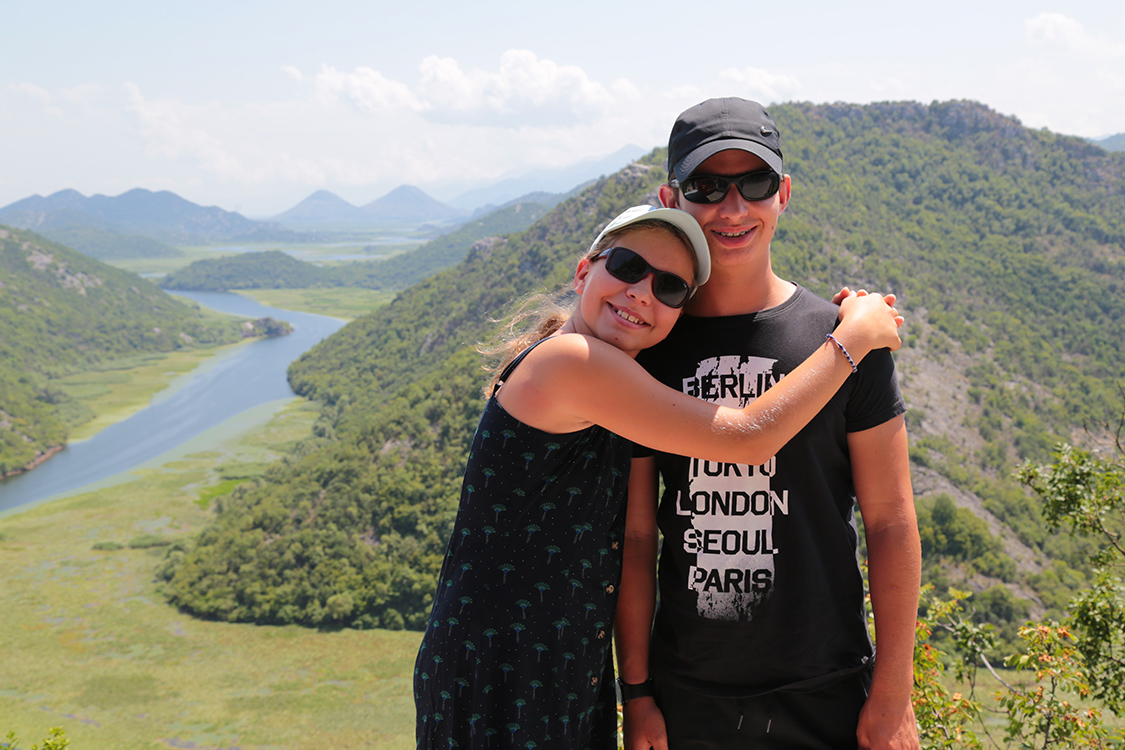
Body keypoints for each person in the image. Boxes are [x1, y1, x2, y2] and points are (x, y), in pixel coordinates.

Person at [414, 203, 904, 749]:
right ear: (584, 272)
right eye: (626, 267)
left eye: (671, 288)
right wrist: (854, 338)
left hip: (558, 659)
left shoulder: (614, 371)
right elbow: (746, 439)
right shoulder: (571, 362)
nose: (643, 292)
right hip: (505, 663)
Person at [615, 98, 922, 750]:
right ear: (671, 198)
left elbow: (890, 522)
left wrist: (894, 692)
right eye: (705, 187)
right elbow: (638, 538)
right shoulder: (649, 349)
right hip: (687, 696)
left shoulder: (843, 339)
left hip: (827, 689)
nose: (731, 209)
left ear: (782, 194)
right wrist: (636, 693)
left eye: (752, 183)